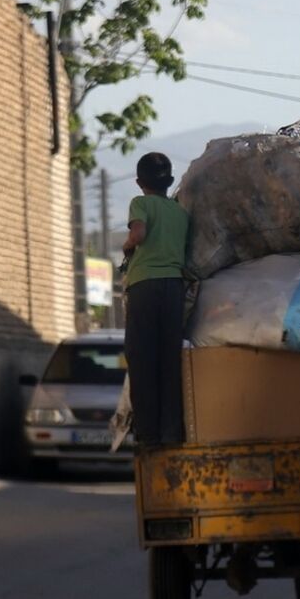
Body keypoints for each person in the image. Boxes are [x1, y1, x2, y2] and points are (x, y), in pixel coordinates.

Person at [122, 152, 190, 446]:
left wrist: (126, 248)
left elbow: (139, 233)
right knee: (169, 362)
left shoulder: (141, 203)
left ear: (139, 182)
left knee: (142, 360)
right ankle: (172, 432)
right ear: (169, 182)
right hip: (174, 288)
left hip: (144, 287)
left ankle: (148, 435)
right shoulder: (180, 212)